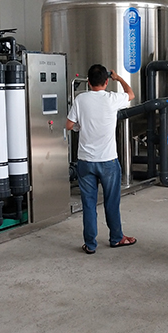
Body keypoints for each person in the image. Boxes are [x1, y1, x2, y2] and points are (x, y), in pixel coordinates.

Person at [66, 64, 137, 254]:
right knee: (111, 202)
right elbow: (131, 94)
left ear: (88, 82)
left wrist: (79, 127)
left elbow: (69, 125)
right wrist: (118, 78)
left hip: (85, 161)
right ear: (106, 82)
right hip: (108, 161)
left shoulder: (80, 99)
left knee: (89, 204)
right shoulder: (112, 98)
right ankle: (116, 238)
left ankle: (90, 244)